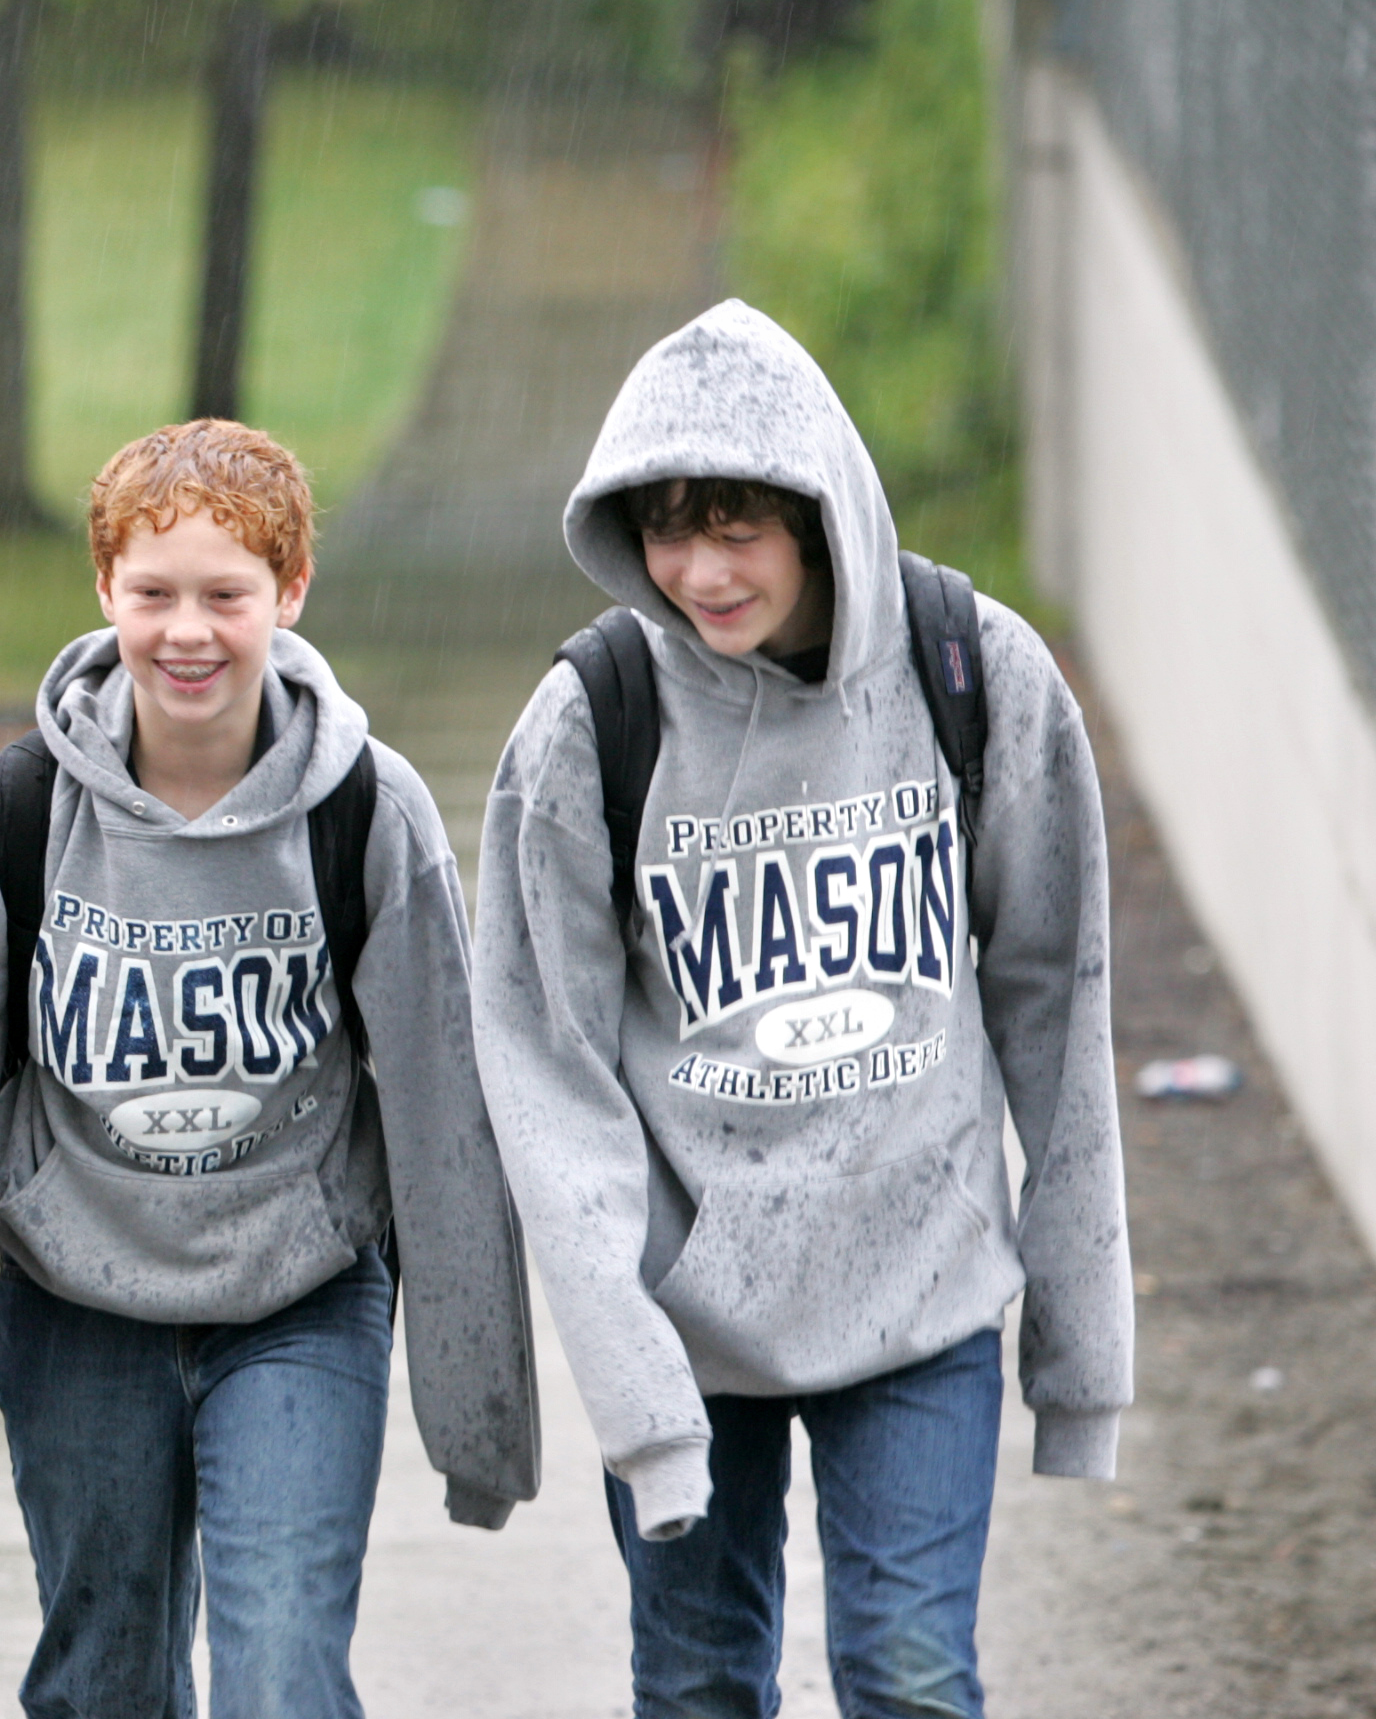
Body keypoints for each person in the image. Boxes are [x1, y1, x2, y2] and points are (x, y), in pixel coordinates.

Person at [471, 300, 1133, 1719]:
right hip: (689, 1319)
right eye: (665, 527)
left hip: (923, 1287)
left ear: (822, 509)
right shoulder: (593, 723)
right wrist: (631, 1379)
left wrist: (1083, 1348)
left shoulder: (973, 672)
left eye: (737, 527)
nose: (699, 571)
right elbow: (545, 1067)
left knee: (910, 1677)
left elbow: (1056, 1011)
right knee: (702, 1684)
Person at [0, 418, 538, 1719]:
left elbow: (447, 1113)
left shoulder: (364, 812)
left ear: (293, 592)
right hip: (78, 1306)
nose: (188, 631)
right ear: (105, 592)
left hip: (300, 1300)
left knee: (280, 1675)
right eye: (154, 593)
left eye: (228, 593)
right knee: (105, 1683)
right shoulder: (20, 811)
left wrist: (478, 1411)